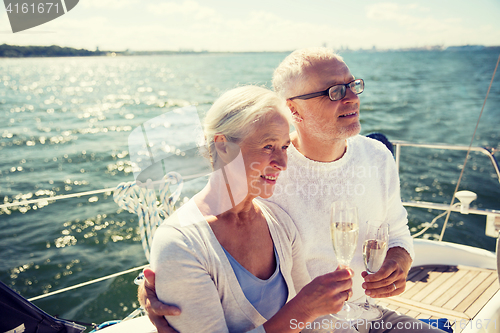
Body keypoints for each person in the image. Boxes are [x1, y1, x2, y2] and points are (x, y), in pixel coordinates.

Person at [140, 48, 445, 333]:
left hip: (368, 314)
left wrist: (400, 261)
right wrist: (162, 279)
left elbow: (397, 232)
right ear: (293, 110)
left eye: (353, 86)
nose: (352, 98)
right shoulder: (260, 186)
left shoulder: (377, 158)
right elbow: (198, 230)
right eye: (334, 91)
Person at [148, 85, 356, 332]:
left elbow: (313, 326)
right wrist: (303, 310)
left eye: (285, 147)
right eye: (268, 146)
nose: (282, 163)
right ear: (223, 147)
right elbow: (303, 313)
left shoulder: (278, 222)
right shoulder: (180, 244)